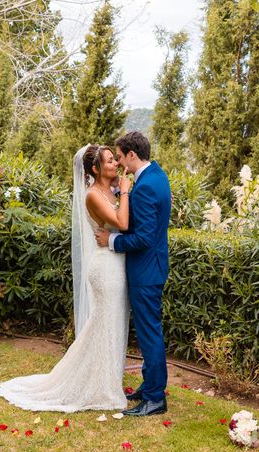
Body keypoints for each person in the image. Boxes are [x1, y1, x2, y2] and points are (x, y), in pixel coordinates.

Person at [0, 145, 132, 412]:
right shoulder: (93, 195)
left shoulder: (110, 189)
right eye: (108, 161)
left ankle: (106, 378)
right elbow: (122, 223)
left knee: (112, 323)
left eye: (114, 160)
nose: (115, 164)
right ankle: (98, 385)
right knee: (103, 324)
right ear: (94, 169)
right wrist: (125, 189)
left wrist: (119, 187)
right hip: (104, 268)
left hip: (117, 263)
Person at [95, 131, 171, 417]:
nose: (119, 163)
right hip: (151, 268)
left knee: (150, 333)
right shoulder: (156, 176)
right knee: (148, 330)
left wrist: (111, 241)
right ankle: (149, 385)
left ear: (132, 155)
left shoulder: (147, 186)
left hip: (146, 271)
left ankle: (154, 399)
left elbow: (144, 238)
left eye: (120, 156)